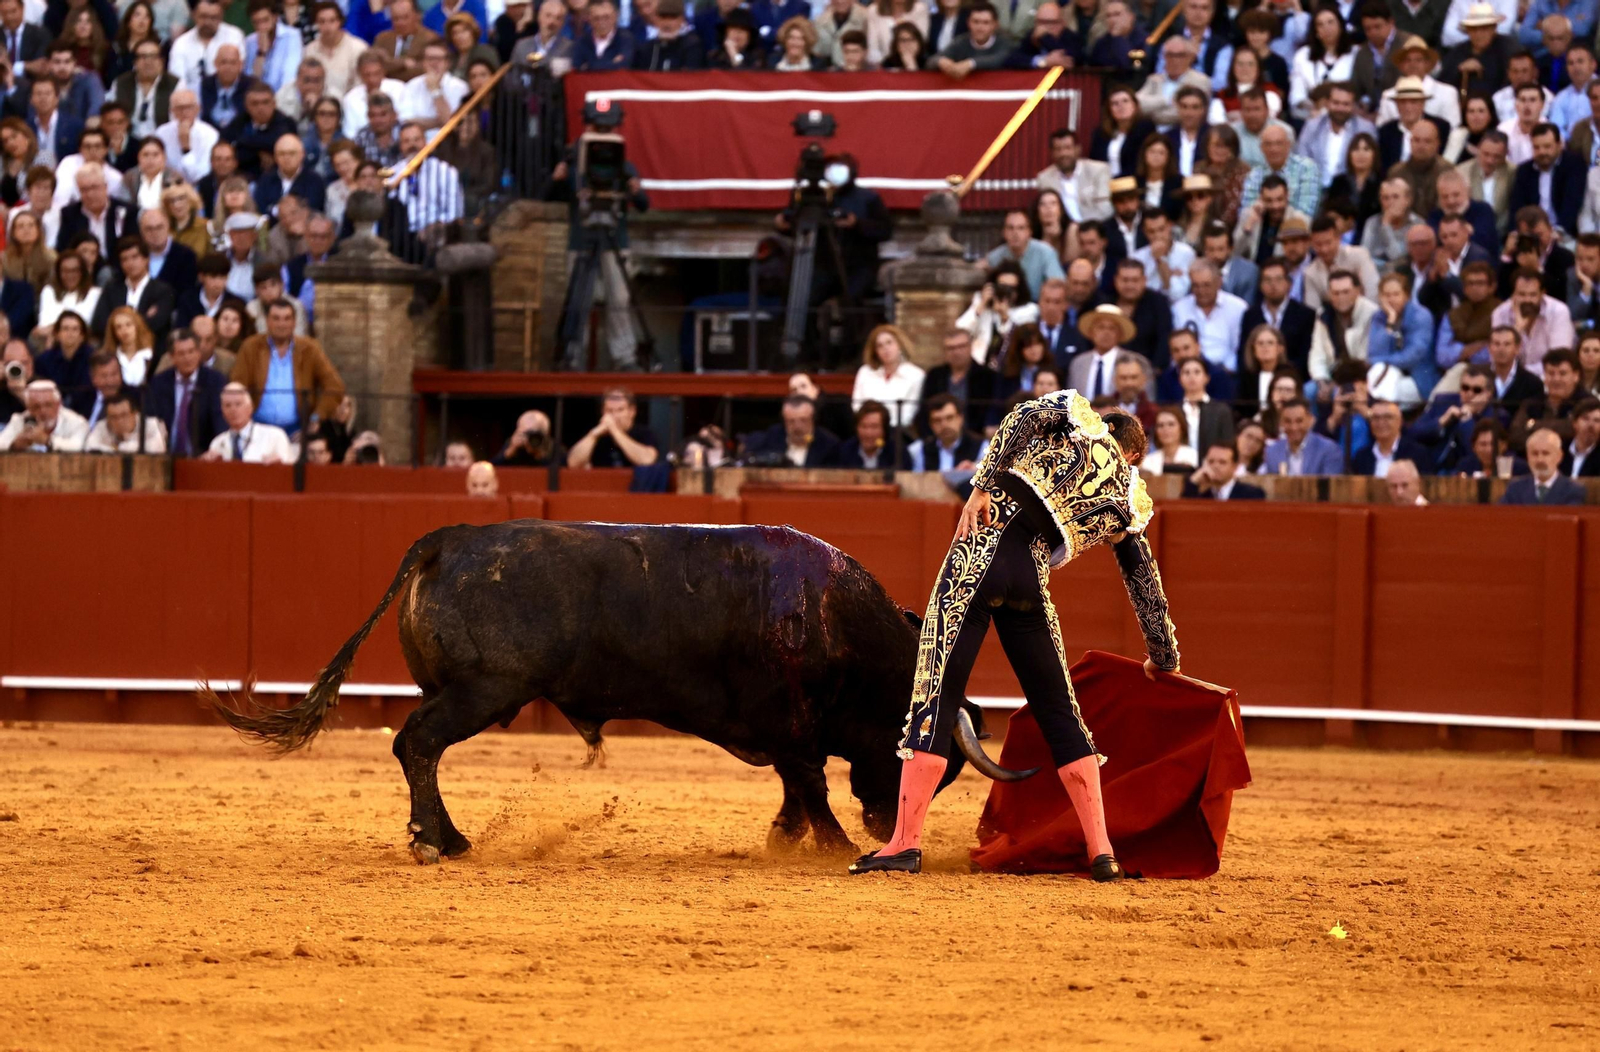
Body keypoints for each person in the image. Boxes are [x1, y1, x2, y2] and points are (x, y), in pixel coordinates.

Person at [850, 392, 1178, 881]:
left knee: (935, 696)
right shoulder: (1127, 499)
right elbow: (1143, 582)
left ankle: (904, 843)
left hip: (981, 551)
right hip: (1031, 580)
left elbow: (1023, 414)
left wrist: (981, 484)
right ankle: (1102, 852)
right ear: (1135, 455)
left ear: (1106, 430)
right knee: (1061, 713)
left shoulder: (1076, 422)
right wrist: (1163, 655)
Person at [230, 298, 345, 437]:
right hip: (256, 428)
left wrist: (317, 417)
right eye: (276, 318)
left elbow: (335, 386)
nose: (281, 324)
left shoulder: (310, 348)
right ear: (267, 321)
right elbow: (237, 386)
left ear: (294, 322)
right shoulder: (250, 347)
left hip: (297, 430)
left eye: (287, 319)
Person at [144, 326, 227, 456]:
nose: (188, 358)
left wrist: (215, 451)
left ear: (199, 353)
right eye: (181, 353)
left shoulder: (215, 381)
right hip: (164, 455)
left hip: (204, 456)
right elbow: (150, 421)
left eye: (191, 351)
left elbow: (220, 422)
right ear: (172, 357)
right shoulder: (158, 383)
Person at [1507, 122, 1586, 239]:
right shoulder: (1525, 170)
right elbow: (1517, 206)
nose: (1542, 152)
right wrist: (1514, 233)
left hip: (1564, 233)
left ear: (1559, 145)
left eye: (1547, 146)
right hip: (1531, 235)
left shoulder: (1573, 165)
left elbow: (1572, 203)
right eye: (1536, 147)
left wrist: (1558, 232)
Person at [1491, 267, 1575, 378]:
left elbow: (1558, 359)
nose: (1527, 300)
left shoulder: (1558, 311)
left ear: (1542, 294)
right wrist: (1517, 330)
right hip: (1512, 379)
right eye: (1522, 294)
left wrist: (1520, 373)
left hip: (1549, 377)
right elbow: (1498, 360)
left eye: (1533, 295)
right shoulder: (1500, 313)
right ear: (1513, 295)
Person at [1241, 257, 1316, 373]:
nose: (1273, 285)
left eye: (1278, 279)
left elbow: (1305, 356)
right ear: (1260, 285)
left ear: (1289, 284)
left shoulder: (1305, 315)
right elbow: (1245, 354)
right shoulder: (1250, 315)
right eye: (1267, 280)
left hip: (1295, 377)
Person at [1171, 260, 1248, 373]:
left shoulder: (1238, 307)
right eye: (1196, 286)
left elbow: (1240, 347)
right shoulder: (1179, 308)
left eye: (1206, 285)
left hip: (1227, 372)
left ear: (1219, 283)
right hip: (1188, 372)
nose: (1201, 291)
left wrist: (1227, 369)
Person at [920, 328, 999, 436]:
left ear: (970, 347)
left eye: (961, 346)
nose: (956, 352)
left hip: (976, 438)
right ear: (944, 351)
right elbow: (924, 410)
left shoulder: (988, 376)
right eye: (951, 348)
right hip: (939, 437)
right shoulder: (935, 376)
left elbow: (991, 412)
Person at [851, 324, 924, 429]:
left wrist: (882, 427)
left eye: (889, 343)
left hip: (897, 433)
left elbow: (908, 414)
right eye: (879, 346)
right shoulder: (865, 372)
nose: (885, 348)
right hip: (867, 430)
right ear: (875, 351)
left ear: (899, 344)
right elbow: (857, 406)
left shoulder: (916, 375)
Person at [566, 387, 660, 469]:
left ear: (632, 411)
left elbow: (647, 460)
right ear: (603, 412)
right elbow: (572, 463)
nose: (614, 416)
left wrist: (615, 431)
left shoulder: (645, 433)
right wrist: (593, 435)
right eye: (609, 410)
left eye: (620, 410)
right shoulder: (597, 435)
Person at [202, 381, 294, 462]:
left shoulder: (275, 436)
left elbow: (289, 472)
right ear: (222, 411)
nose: (233, 410)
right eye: (228, 405)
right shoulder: (217, 443)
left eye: (238, 404)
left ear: (250, 408)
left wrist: (277, 465)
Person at [987, 208, 1064, 300]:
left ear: (1029, 232)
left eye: (1021, 228)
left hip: (1038, 307)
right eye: (1010, 228)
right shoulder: (994, 257)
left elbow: (1058, 284)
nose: (1015, 233)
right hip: (1006, 307)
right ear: (1004, 233)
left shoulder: (1046, 253)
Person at [1499, 426, 1585, 502]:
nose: (1540, 460)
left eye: (1545, 453)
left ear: (1559, 456)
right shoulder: (1515, 488)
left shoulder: (1573, 490)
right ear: (1527, 457)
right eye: (1534, 453)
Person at [0, 378, 89, 450]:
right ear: (28, 408)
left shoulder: (76, 422)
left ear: (58, 404)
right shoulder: (19, 420)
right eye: (36, 406)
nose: (43, 411)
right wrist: (14, 445)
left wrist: (47, 441)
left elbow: (78, 446)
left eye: (48, 405)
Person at [1263, 396, 1344, 474]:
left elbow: (1331, 486)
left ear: (1311, 420)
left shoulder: (1329, 450)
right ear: (1281, 422)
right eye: (1288, 421)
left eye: (1299, 421)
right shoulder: (1272, 452)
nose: (1293, 427)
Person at [910, 394, 984, 472]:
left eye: (949, 418)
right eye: (937, 420)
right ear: (931, 424)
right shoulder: (921, 450)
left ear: (960, 418)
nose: (944, 425)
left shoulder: (981, 446)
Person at [829, 400, 911, 470]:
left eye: (874, 427)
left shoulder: (897, 453)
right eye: (864, 426)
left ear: (884, 429)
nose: (868, 433)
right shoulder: (845, 451)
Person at [1182, 441, 1266, 499]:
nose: (1215, 466)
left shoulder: (1251, 494)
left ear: (1235, 467)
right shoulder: (1201, 496)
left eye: (1222, 462)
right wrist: (1193, 481)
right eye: (1211, 462)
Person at [1562, 398, 1600, 477]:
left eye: (1597, 420)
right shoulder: (1560, 449)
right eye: (1585, 419)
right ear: (1574, 423)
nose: (1590, 425)